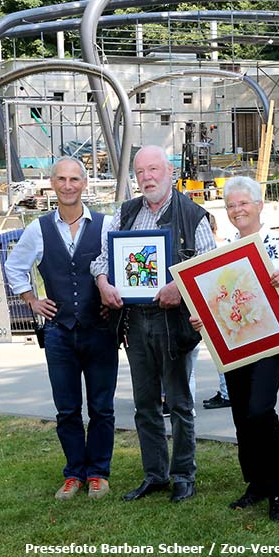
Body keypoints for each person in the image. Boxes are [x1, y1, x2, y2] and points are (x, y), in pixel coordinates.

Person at [90, 145, 216, 503]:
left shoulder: (194, 215)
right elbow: (102, 259)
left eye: (154, 170)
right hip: (135, 322)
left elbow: (210, 265)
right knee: (145, 403)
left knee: (178, 402)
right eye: (141, 172)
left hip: (174, 323)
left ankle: (183, 475)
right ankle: (155, 474)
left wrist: (181, 285)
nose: (147, 177)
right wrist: (103, 283)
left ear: (170, 172)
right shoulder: (125, 214)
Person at [190, 176, 279, 521]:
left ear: (259, 204)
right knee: (242, 414)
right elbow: (217, 297)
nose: (237, 210)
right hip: (234, 343)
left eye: (243, 203)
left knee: (260, 410)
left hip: (272, 341)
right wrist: (204, 318)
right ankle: (256, 484)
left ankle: (277, 491)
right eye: (230, 205)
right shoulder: (222, 247)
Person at [4, 157, 118, 500]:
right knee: (67, 408)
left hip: (99, 329)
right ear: (52, 184)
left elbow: (121, 267)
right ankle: (74, 473)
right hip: (58, 332)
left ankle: (98, 472)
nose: (68, 186)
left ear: (84, 184)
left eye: (75, 179)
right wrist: (32, 300)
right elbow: (14, 267)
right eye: (62, 179)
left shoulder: (106, 223)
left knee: (102, 407)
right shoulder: (38, 228)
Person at [196, 213, 231, 410]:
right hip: (226, 303)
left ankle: (227, 392)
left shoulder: (207, 249)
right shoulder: (227, 243)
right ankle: (227, 391)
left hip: (213, 304)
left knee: (219, 352)